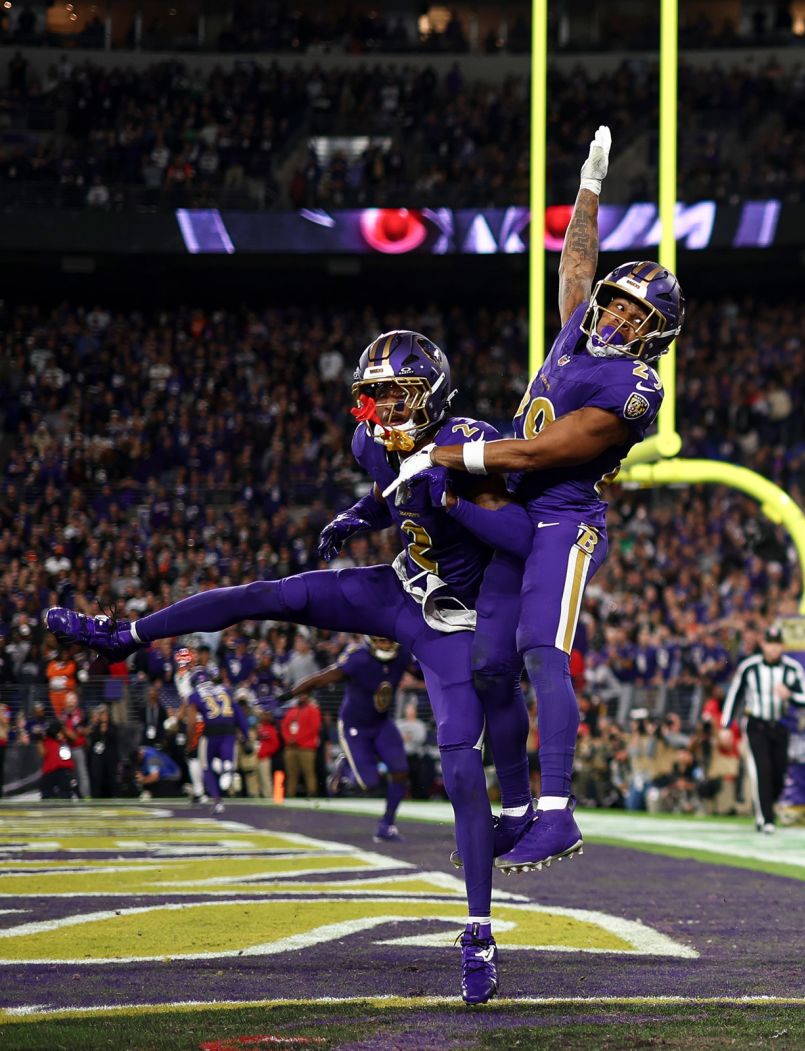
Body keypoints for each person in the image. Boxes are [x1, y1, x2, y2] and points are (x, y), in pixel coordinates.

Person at [46, 328, 537, 1004]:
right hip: (398, 588)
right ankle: (124, 634)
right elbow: (390, 487)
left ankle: (479, 931)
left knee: (459, 764)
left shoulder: (471, 443)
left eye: (398, 395)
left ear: (433, 392)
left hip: (456, 621)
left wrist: (449, 488)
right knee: (267, 594)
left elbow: (522, 534)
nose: (384, 411)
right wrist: (357, 513)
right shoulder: (373, 443)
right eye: (376, 397)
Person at [383, 126, 686, 876]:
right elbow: (576, 259)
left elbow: (540, 453)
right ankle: (516, 811)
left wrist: (443, 454)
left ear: (657, 336)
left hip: (562, 518)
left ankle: (558, 813)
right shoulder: (579, 333)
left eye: (632, 317)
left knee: (543, 655)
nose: (614, 318)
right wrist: (588, 188)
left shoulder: (634, 388)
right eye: (614, 305)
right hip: (516, 513)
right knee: (491, 665)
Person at [281, 635, 415, 842]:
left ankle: (386, 825)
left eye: (388, 641)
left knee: (400, 772)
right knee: (368, 784)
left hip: (381, 723)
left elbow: (424, 673)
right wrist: (286, 695)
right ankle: (344, 768)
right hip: (355, 726)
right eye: (380, 641)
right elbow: (321, 678)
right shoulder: (358, 658)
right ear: (370, 640)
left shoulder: (402, 655)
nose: (385, 645)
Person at [719, 626, 805, 833]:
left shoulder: (792, 668)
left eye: (777, 644)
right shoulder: (749, 667)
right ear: (763, 645)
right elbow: (734, 696)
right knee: (762, 770)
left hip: (780, 726)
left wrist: (790, 694)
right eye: (769, 644)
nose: (773, 649)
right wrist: (726, 725)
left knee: (779, 774)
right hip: (756, 725)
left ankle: (766, 807)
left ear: (782, 646)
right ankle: (765, 819)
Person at [174, 647, 247, 815]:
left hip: (210, 729)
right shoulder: (224, 689)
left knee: (205, 765)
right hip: (229, 728)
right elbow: (239, 714)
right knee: (224, 755)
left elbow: (192, 722)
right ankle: (227, 768)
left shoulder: (194, 694)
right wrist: (245, 735)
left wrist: (190, 741)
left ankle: (217, 800)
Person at [281, 693, 322, 799]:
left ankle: (312, 794)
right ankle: (290, 795)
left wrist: (297, 739)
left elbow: (313, 729)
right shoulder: (291, 711)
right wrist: (289, 739)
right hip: (291, 747)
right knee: (291, 774)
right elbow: (284, 727)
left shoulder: (313, 710)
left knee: (308, 772)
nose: (302, 697)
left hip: (306, 748)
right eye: (300, 695)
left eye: (304, 695)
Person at [38, 719, 77, 799]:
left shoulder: (64, 738)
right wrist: (39, 739)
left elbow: (74, 737)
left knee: (65, 794)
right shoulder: (46, 740)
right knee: (46, 794)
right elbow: (42, 753)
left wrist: (62, 728)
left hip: (64, 768)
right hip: (50, 769)